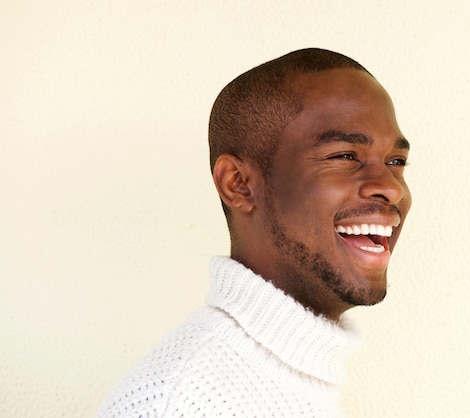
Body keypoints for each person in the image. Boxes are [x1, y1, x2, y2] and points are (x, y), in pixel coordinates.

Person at [97, 48, 411, 418]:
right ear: (239, 185)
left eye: (396, 162)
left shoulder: (291, 380)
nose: (392, 188)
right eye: (344, 156)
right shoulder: (179, 404)